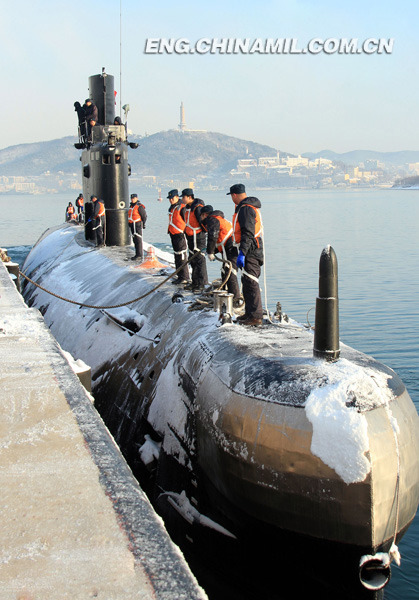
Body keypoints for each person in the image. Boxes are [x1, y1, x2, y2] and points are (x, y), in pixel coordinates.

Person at [228, 183, 263, 326]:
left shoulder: (246, 209)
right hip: (250, 248)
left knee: (251, 281)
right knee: (247, 281)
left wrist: (242, 252)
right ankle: (249, 313)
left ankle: (256, 316)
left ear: (234, 195)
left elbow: (248, 233)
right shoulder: (245, 207)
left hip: (251, 250)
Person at [200, 205, 241, 303]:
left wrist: (210, 252)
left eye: (201, 216)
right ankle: (226, 294)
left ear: (204, 215)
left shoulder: (212, 220)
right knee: (225, 270)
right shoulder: (218, 219)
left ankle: (235, 299)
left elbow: (213, 236)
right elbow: (219, 239)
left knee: (230, 271)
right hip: (229, 245)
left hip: (230, 246)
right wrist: (212, 250)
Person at [181, 188, 208, 293]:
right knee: (193, 260)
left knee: (199, 260)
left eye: (183, 197)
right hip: (191, 236)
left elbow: (202, 223)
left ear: (189, 197)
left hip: (198, 236)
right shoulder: (188, 207)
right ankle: (195, 282)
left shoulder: (197, 208)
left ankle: (201, 284)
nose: (182, 199)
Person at [167, 189, 190, 284]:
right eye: (169, 198)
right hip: (173, 235)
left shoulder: (182, 208)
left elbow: (186, 222)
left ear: (177, 197)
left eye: (172, 198)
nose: (171, 200)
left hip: (181, 235)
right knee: (177, 255)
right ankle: (179, 275)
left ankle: (185, 277)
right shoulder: (172, 208)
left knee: (181, 256)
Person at [128, 193, 147, 260]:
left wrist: (143, 224)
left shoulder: (139, 206)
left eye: (134, 198)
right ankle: (137, 254)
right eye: (132, 198)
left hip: (137, 225)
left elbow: (144, 216)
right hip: (132, 225)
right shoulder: (131, 206)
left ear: (137, 198)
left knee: (138, 240)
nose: (132, 199)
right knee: (135, 240)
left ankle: (139, 255)